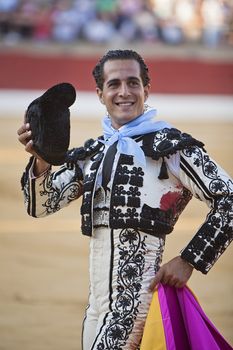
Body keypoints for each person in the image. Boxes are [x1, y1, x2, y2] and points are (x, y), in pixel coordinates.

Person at [17, 49, 233, 350]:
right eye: (114, 84)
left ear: (146, 89)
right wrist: (41, 160)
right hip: (95, 309)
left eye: (133, 83)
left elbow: (229, 200)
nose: (124, 92)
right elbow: (41, 205)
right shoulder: (94, 152)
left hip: (136, 304)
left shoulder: (171, 148)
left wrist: (189, 260)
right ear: (100, 93)